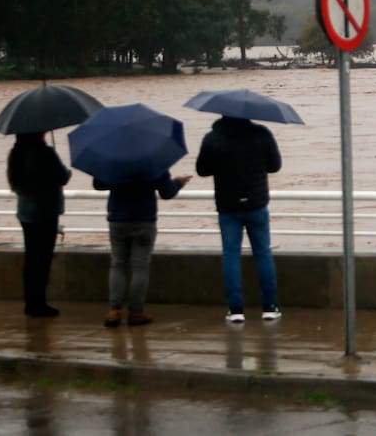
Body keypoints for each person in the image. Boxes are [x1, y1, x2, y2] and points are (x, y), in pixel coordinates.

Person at [196, 116, 282, 323]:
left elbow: (202, 170)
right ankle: (269, 308)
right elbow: (274, 166)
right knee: (263, 253)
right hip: (257, 204)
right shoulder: (262, 134)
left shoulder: (212, 138)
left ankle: (236, 310)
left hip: (228, 207)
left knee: (231, 255)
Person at [94, 172, 191, 327]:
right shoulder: (153, 159)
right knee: (140, 267)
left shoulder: (114, 156)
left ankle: (114, 311)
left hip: (118, 218)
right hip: (144, 219)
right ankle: (136, 313)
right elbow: (167, 192)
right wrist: (178, 182)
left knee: (117, 264)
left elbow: (98, 184)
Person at [7, 132, 71, 317]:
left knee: (31, 259)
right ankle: (39, 304)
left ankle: (31, 302)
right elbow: (63, 177)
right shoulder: (46, 153)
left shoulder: (15, 154)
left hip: (26, 213)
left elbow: (15, 182)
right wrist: (66, 171)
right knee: (43, 259)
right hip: (46, 212)